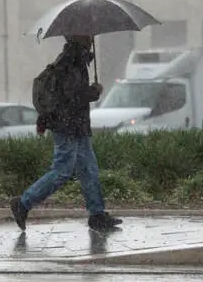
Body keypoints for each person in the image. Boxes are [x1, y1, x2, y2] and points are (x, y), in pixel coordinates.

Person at [11, 35, 122, 232]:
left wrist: (89, 93)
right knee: (62, 170)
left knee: (89, 169)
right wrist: (92, 93)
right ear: (79, 38)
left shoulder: (77, 61)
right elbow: (70, 98)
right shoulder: (68, 63)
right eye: (87, 35)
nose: (91, 38)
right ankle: (23, 203)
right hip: (67, 126)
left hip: (77, 126)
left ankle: (97, 215)